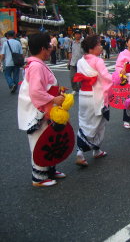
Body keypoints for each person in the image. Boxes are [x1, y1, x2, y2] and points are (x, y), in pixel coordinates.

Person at [17, 33, 66, 187]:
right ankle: (39, 176)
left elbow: (43, 87)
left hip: (44, 108)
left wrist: (57, 92)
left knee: (49, 140)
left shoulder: (36, 63)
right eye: (49, 46)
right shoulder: (37, 66)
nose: (52, 49)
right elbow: (36, 92)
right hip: (39, 111)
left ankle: (49, 169)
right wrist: (53, 99)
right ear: (43, 48)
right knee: (40, 142)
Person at [73, 35, 112, 167]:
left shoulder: (80, 61)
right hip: (96, 97)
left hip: (84, 95)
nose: (101, 47)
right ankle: (80, 152)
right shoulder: (97, 61)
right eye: (99, 45)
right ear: (91, 48)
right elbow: (106, 78)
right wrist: (119, 78)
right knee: (96, 124)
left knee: (85, 122)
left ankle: (96, 150)